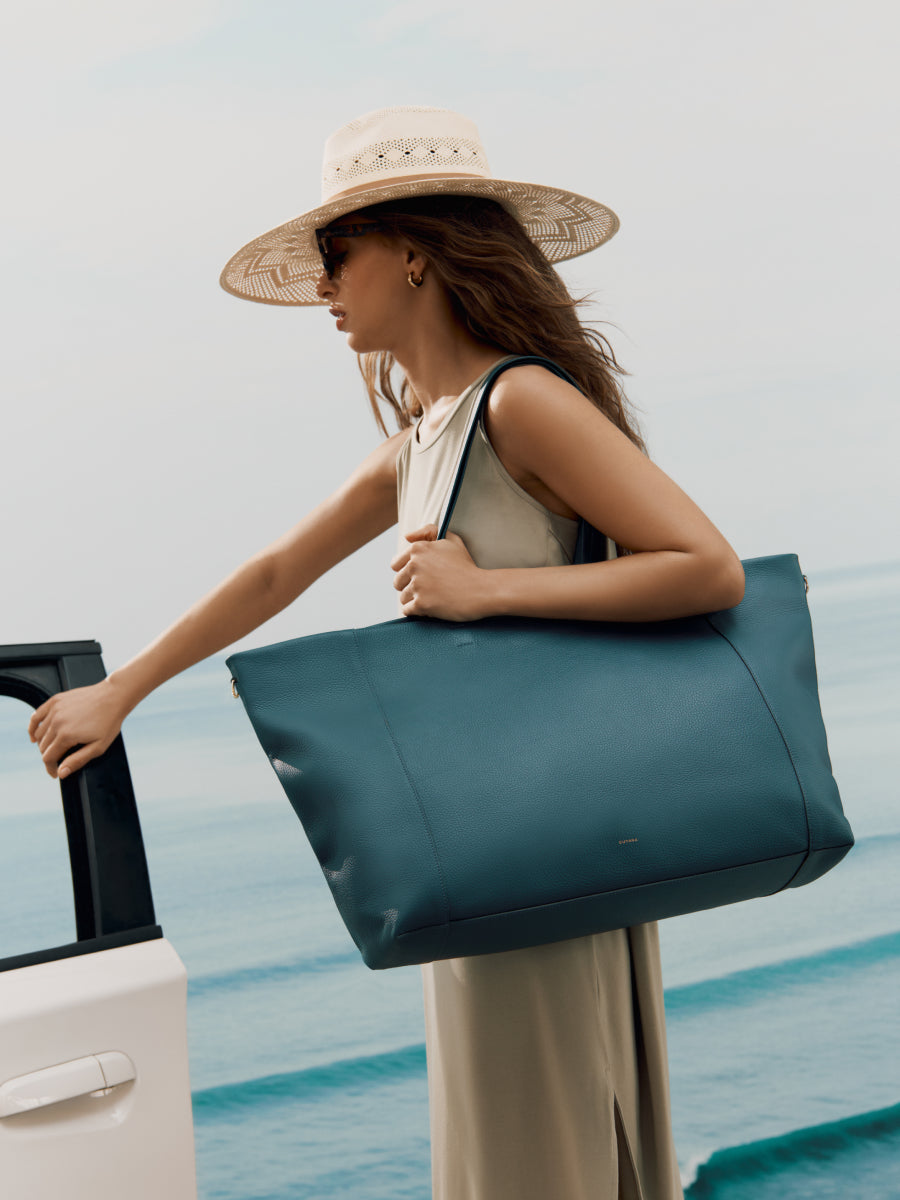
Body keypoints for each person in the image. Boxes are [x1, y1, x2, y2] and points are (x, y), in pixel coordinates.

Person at [29, 106, 744, 1199]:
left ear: (413, 252)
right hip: (485, 837)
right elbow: (275, 571)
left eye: (335, 256)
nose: (322, 287)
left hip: (543, 837)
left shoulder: (524, 402)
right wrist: (121, 690)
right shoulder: (426, 435)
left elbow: (707, 567)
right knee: (510, 1133)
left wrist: (484, 590)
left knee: (540, 1144)